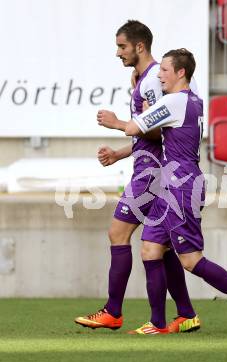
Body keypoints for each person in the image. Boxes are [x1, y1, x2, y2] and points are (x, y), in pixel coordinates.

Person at [103, 48, 227, 335]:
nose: (159, 75)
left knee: (190, 260)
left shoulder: (175, 101)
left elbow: (134, 128)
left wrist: (114, 121)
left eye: (164, 70)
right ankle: (158, 323)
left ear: (180, 73)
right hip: (170, 186)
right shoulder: (191, 101)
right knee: (150, 248)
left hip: (182, 187)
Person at [74, 20, 200, 334]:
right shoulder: (142, 78)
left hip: (153, 173)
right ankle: (185, 312)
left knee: (119, 234)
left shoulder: (154, 82)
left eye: (122, 46)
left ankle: (113, 311)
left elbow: (160, 130)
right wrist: (119, 153)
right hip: (155, 171)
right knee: (161, 247)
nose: (118, 53)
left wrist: (120, 123)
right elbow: (147, 131)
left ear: (139, 46)